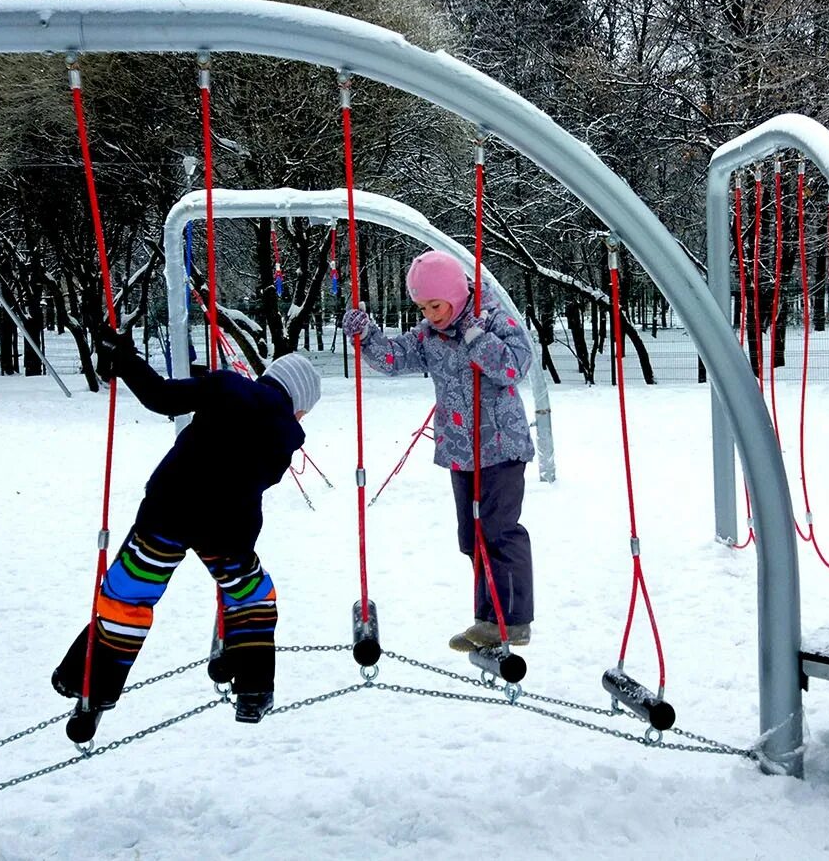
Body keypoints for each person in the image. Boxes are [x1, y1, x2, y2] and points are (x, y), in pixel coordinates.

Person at [51, 326, 321, 723]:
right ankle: (253, 688)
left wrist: (124, 359)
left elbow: (160, 397)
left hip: (168, 514)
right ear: (297, 404)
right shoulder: (287, 436)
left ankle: (88, 682)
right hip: (227, 533)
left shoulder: (226, 385)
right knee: (252, 597)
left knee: (128, 596)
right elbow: (252, 486)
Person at [341, 250, 536, 652]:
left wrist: (478, 339)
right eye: (422, 307)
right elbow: (394, 359)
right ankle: (488, 617)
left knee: (498, 533)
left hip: (500, 447)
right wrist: (368, 336)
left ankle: (512, 620)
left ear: (455, 294)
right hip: (462, 450)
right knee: (471, 538)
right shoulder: (431, 336)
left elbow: (516, 365)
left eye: (435, 304)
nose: (430, 314)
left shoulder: (492, 319)